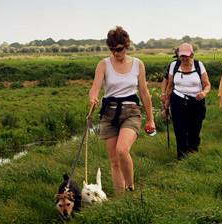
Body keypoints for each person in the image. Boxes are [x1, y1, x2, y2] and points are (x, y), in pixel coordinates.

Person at [88, 26, 155, 194]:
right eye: (111, 50)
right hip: (109, 113)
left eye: (118, 49)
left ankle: (130, 187)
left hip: (131, 112)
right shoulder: (103, 64)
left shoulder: (138, 65)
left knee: (122, 150)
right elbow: (95, 88)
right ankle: (120, 199)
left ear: (126, 45)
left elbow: (145, 93)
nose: (115, 54)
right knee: (114, 161)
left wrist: (151, 118)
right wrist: (93, 97)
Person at [163, 43, 211, 160]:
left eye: (186, 56)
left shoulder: (199, 65)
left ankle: (193, 154)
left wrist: (204, 93)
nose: (184, 58)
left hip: (196, 102)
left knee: (194, 130)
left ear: (192, 55)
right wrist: (166, 102)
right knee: (180, 130)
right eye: (182, 56)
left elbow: (207, 85)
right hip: (178, 101)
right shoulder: (174, 66)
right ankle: (182, 157)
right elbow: (170, 85)